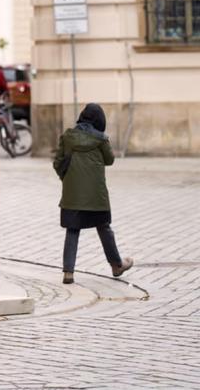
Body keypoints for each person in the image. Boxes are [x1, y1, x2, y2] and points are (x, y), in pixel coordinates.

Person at [53, 103, 133, 284]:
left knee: (72, 230)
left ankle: (68, 272)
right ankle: (116, 265)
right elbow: (110, 160)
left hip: (72, 195)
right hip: (97, 196)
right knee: (104, 227)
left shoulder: (67, 137)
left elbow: (57, 163)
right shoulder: (101, 140)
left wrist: (68, 179)